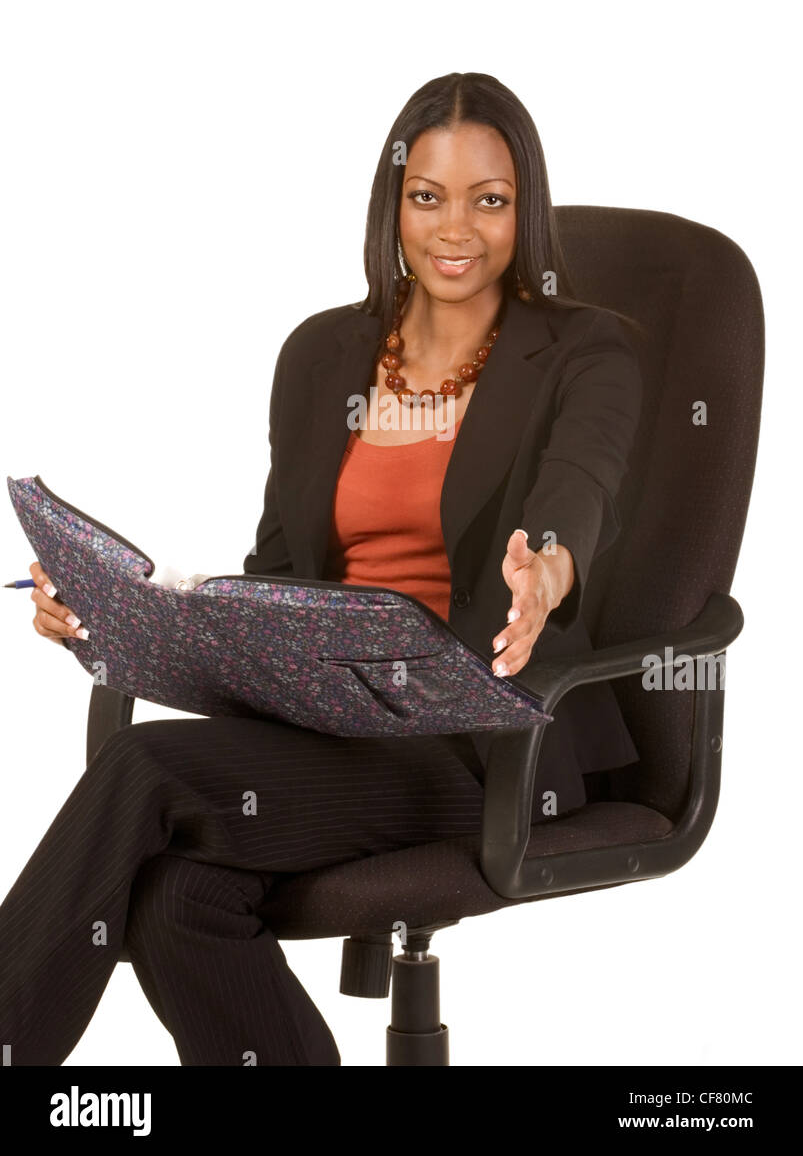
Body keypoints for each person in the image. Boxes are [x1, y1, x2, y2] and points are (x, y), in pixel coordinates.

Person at [0, 71, 643, 1066]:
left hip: (485, 740)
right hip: (334, 724)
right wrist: (111, 609)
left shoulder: (586, 353)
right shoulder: (320, 357)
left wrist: (544, 573)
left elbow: (577, 497)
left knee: (140, 768)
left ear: (528, 208)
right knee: (178, 897)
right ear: (392, 203)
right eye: (426, 195)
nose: (454, 228)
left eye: (491, 198)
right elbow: (275, 577)